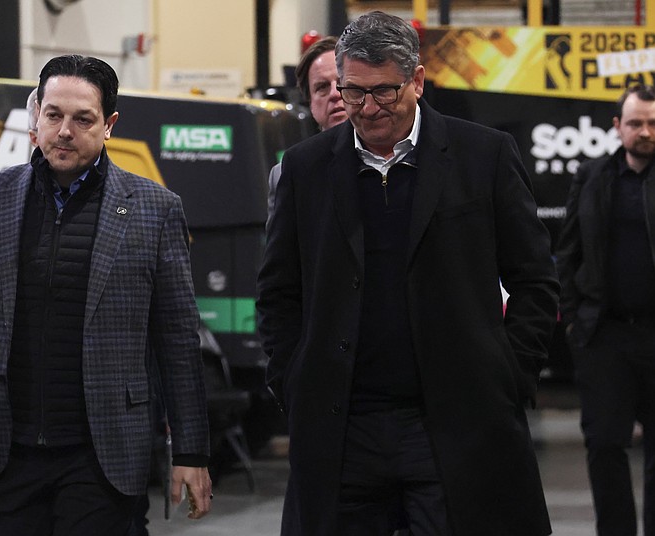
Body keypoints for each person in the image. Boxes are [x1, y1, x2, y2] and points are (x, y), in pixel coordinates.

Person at [256, 11, 559, 536]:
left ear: (417, 80)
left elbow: (536, 279)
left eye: (384, 93)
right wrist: (294, 376)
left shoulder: (483, 156)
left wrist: (509, 376)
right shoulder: (305, 168)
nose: (367, 109)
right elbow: (279, 291)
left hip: (455, 423)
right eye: (353, 93)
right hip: (342, 427)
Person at [0, 54, 212, 535]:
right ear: (37, 117)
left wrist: (191, 452)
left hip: (103, 455)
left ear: (109, 124)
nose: (64, 130)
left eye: (82, 118)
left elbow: (177, 342)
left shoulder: (156, 210)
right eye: (53, 115)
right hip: (4, 452)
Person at [556, 83, 655, 536]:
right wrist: (575, 319)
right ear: (618, 127)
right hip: (605, 334)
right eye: (636, 123)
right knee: (604, 445)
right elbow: (568, 251)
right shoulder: (592, 176)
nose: (645, 132)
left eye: (653, 123)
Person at [266, 36, 348, 222]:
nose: (335, 94)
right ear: (310, 103)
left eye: (343, 82)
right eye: (322, 87)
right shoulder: (286, 175)